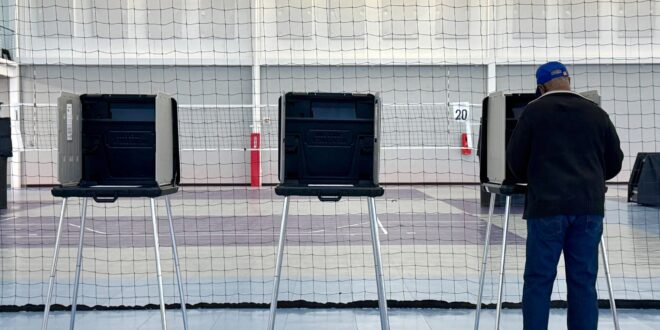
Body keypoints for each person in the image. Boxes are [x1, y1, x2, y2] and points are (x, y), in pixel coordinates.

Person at [506, 61, 624, 330]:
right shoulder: (596, 113)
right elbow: (615, 163)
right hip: (588, 208)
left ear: (540, 88)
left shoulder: (533, 112)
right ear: (569, 80)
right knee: (583, 282)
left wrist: (536, 175)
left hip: (546, 207)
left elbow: (515, 162)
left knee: (538, 281)